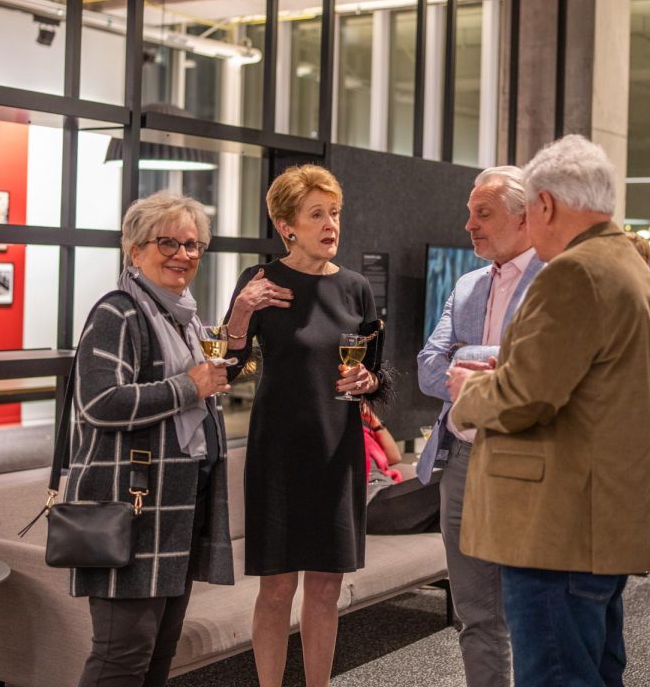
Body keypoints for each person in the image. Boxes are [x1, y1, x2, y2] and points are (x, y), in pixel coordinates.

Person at [445, 134, 650, 687]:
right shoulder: (632, 268)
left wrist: (466, 392)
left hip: (557, 529)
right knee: (596, 669)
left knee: (557, 674)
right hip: (601, 519)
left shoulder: (574, 272)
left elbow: (526, 397)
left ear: (543, 205)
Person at [223, 164, 385, 687]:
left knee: (325, 587)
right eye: (317, 214)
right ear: (286, 225)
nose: (330, 224)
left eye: (334, 212)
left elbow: (379, 375)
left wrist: (369, 381)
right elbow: (228, 367)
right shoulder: (259, 282)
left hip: (338, 453)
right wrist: (240, 316)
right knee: (275, 590)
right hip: (278, 453)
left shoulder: (356, 289)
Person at [66, 191, 233, 687]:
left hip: (178, 510)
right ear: (134, 250)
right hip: (133, 510)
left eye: (193, 244)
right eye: (168, 243)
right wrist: (191, 387)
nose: (183, 255)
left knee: (158, 657)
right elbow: (100, 403)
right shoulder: (119, 313)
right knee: (122, 659)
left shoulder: (185, 318)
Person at [417, 164, 542, 687]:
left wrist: (469, 357)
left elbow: (539, 367)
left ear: (524, 216)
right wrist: (492, 361)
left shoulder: (554, 280)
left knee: (531, 609)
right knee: (474, 611)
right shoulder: (467, 285)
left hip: (525, 461)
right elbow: (428, 369)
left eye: (483, 214)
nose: (469, 224)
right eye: (469, 213)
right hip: (461, 461)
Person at [361, 402, 441, 534]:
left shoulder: (365, 433)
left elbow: (394, 457)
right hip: (371, 502)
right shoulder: (338, 436)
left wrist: (373, 420)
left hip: (388, 491)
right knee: (453, 475)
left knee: (455, 514)